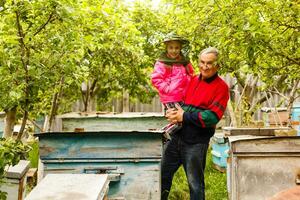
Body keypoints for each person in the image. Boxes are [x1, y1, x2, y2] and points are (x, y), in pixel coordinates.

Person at [161, 47, 229, 200]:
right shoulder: (192, 80)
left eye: (209, 63)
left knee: (195, 185)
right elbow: (180, 104)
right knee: (161, 177)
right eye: (202, 62)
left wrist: (184, 116)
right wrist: (172, 111)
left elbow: (211, 117)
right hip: (176, 138)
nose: (205, 66)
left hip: (196, 143)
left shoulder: (221, 87)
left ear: (217, 65)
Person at [151, 33, 194, 138]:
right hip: (170, 97)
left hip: (183, 97)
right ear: (166, 48)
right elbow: (156, 79)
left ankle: (164, 134)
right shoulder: (162, 62)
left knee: (180, 120)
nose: (174, 50)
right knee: (180, 122)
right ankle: (161, 136)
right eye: (171, 48)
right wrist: (168, 88)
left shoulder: (184, 61)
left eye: (177, 48)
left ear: (180, 48)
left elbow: (191, 74)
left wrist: (189, 84)